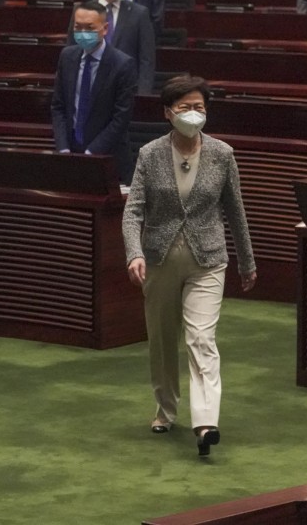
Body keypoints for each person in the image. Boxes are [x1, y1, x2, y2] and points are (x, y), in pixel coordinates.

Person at [122, 74, 256, 457]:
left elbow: (235, 211)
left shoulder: (222, 154)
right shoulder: (150, 154)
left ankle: (206, 423)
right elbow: (133, 212)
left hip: (208, 260)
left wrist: (247, 261)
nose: (193, 113)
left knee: (201, 339)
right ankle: (165, 409)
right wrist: (134, 253)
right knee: (163, 339)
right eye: (185, 107)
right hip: (159, 259)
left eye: (199, 107)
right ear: (168, 113)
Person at [50, 1, 138, 182]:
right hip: (70, 153)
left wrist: (91, 154)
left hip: (107, 158)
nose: (83, 33)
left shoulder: (122, 64)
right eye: (78, 27)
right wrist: (63, 148)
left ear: (105, 29)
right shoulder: (67, 56)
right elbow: (58, 107)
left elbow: (120, 118)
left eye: (89, 28)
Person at [70, 0, 156, 95]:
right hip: (87, 83)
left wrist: (143, 94)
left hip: (124, 88)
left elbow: (146, 59)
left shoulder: (139, 13)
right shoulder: (83, 10)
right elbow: (71, 50)